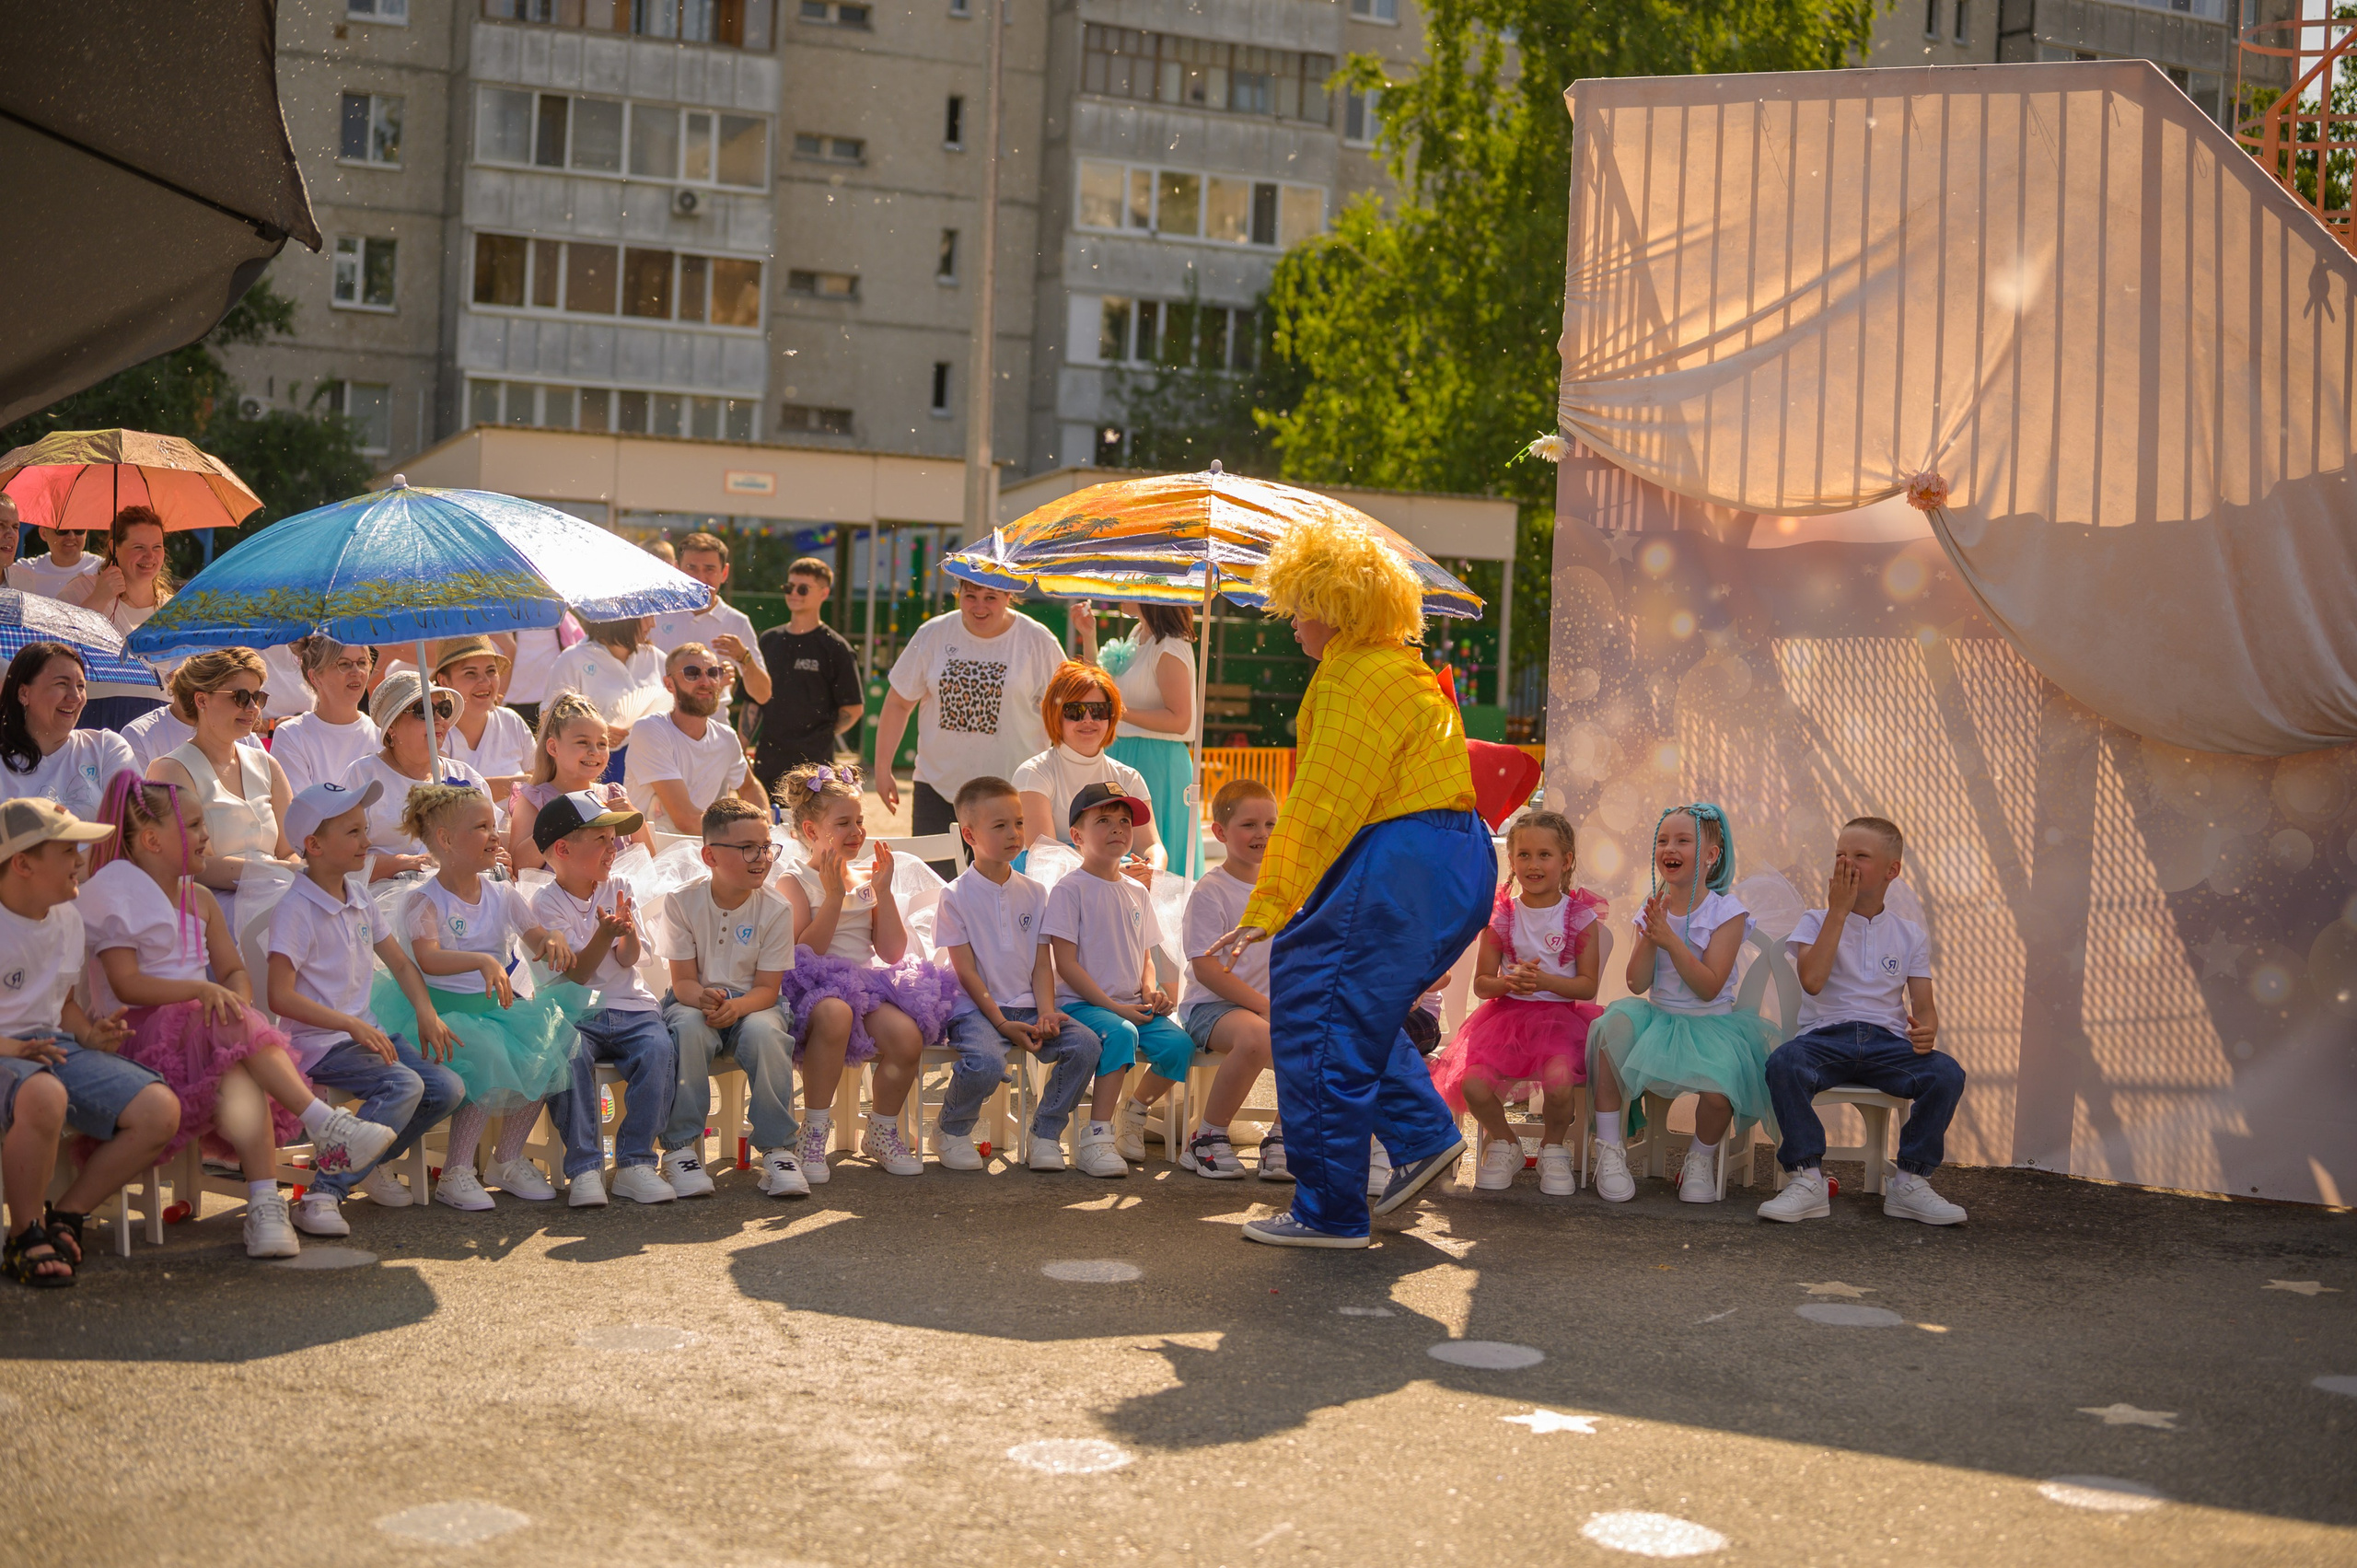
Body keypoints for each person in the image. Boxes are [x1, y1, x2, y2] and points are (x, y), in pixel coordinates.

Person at [1208, 522, 1488, 1250]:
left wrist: (1269, 905)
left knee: (1308, 992)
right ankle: (1422, 1136)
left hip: (1406, 854)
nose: (1293, 618)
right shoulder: (1402, 666)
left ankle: (1330, 1209)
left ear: (1337, 605)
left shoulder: (1346, 675)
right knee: (1350, 1005)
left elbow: (1322, 801)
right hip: (1459, 854)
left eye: (1301, 603)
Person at [82, 773, 392, 1258]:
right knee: (224, 1026)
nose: (207, 834)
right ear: (151, 840)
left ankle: (266, 1205)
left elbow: (233, 971)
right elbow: (127, 985)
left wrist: (236, 999)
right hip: (139, 1041)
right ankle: (323, 1125)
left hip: (202, 1036)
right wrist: (205, 992)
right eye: (194, 824)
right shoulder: (118, 892)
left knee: (242, 1069)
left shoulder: (201, 899)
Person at [266, 780, 468, 1236]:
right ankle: (323, 1192)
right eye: (353, 833)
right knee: (403, 1086)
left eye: (365, 829)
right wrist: (349, 1024)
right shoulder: (295, 907)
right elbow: (279, 996)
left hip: (363, 1036)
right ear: (314, 845)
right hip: (321, 1045)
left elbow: (400, 962)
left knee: (448, 1087)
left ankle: (367, 1159)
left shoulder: (358, 896)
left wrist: (425, 1011)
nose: (367, 842)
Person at [374, 784, 587, 1211]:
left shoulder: (502, 893)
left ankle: (507, 1157)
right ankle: (456, 1171)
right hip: (445, 1013)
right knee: (485, 1054)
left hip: (498, 1011)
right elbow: (428, 958)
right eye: (481, 827)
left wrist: (554, 938)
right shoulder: (424, 901)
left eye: (495, 825)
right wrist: (481, 962)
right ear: (445, 840)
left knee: (550, 1047)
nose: (495, 835)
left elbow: (534, 936)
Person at [0, 798, 180, 1284]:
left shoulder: (66, 916)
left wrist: (90, 1034)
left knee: (158, 1109)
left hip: (49, 1046)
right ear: (22, 863)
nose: (81, 861)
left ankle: (68, 1216)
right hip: (10, 1055)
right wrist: (14, 1050)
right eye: (68, 851)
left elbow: (60, 1006)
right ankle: (23, 1236)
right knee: (43, 1092)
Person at [1758, 817, 1968, 1225]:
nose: (1846, 863)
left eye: (1860, 856)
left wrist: (1928, 1029)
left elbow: (1923, 1005)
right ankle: (1808, 1179)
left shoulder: (1910, 935)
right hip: (1824, 1039)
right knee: (1783, 1063)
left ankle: (1910, 1182)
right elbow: (1813, 982)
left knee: (1946, 1073)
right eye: (1839, 855)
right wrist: (1838, 912)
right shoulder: (1815, 921)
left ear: (1892, 870)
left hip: (1887, 1044)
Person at [771, 762, 961, 1181]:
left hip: (868, 982)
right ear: (810, 830)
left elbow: (891, 952)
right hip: (813, 986)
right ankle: (814, 1132)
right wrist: (835, 897)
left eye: (860, 820)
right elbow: (805, 951)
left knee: (908, 1037)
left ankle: (881, 1129)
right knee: (836, 1013)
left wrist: (885, 892)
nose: (856, 830)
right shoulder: (795, 880)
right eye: (843, 823)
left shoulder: (865, 878)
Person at [1590, 806, 1777, 1205]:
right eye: (1662, 840)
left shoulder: (1727, 912)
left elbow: (1709, 987)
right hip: (1658, 1020)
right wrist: (1649, 933)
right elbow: (1636, 982)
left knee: (1720, 1089)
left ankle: (1699, 1159)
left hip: (1710, 1026)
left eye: (1682, 841)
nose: (1668, 848)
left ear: (1711, 856)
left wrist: (1671, 940)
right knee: (1611, 1030)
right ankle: (1609, 1150)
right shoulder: (1654, 905)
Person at [1428, 811, 1606, 1195]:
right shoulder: (1502, 916)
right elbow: (1481, 984)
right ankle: (1506, 1143)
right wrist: (1508, 983)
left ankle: (1553, 1147)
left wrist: (1545, 982)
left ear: (1567, 860)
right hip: (1503, 1021)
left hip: (1560, 1021)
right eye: (1524, 855)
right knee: (1473, 1085)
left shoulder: (1579, 916)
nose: (1533, 864)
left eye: (1545, 855)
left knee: (1560, 1083)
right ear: (1512, 861)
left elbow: (1587, 986)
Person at [932, 775, 1102, 1173]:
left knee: (1086, 1045)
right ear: (970, 835)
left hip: (1028, 1006)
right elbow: (967, 973)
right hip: (977, 1009)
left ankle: (1045, 1133)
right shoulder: (954, 896)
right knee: (987, 1062)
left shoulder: (1036, 892)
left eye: (1019, 823)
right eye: (1000, 826)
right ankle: (951, 1131)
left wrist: (1046, 1011)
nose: (1015, 833)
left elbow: (1042, 963)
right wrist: (1002, 1023)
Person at [528, 788, 679, 1207]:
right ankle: (584, 1169)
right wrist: (603, 934)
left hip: (631, 1007)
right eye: (601, 840)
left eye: (613, 840)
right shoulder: (544, 904)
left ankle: (636, 1164)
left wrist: (626, 932)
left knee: (658, 1048)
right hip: (577, 1012)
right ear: (562, 848)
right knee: (569, 1056)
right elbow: (575, 973)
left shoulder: (620, 884)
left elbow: (631, 960)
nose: (613, 848)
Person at [654, 796, 805, 1200]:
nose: (762, 858)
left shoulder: (775, 908)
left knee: (766, 1036)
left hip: (755, 1003)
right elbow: (682, 981)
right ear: (709, 856)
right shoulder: (681, 901)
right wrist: (705, 999)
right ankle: (680, 1149)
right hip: (694, 1000)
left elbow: (768, 990)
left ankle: (778, 1149)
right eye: (747, 848)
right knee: (686, 1030)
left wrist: (735, 1006)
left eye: (767, 846)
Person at [1043, 782, 1193, 1178]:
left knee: (1180, 1045)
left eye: (1124, 821)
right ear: (1076, 835)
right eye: (1104, 820)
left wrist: (1151, 990)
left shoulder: (1136, 891)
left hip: (1131, 1004)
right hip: (1081, 1005)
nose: (1117, 829)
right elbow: (1067, 964)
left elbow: (1146, 956)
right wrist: (1113, 1007)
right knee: (1121, 1032)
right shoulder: (1069, 889)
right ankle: (1096, 1137)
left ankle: (1135, 1112)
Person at [872, 580, 1063, 842]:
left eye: (991, 597)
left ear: (1009, 596)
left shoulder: (1038, 640)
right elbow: (898, 703)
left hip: (1013, 793)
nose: (979, 607)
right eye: (970, 596)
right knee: (936, 881)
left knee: (1006, 882)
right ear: (958, 594)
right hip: (938, 788)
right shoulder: (933, 634)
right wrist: (883, 768)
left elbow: (1063, 713)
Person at [1173, 778, 1283, 1181]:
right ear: (1219, 832)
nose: (1262, 834)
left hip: (1269, 1008)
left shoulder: (1285, 891)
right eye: (1250, 825)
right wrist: (1264, 1005)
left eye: (1271, 824)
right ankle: (1207, 1137)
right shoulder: (1212, 890)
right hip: (1211, 1008)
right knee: (1257, 1036)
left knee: (1317, 1034)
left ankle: (1284, 1137)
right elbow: (1205, 968)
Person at [146, 649, 296, 938]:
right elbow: (196, 865)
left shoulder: (268, 764)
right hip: (211, 909)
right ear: (202, 699)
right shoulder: (170, 770)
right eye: (240, 697)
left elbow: (289, 850)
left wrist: (301, 875)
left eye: (258, 697)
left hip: (278, 894)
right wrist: (278, 873)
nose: (252, 707)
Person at [1011, 661, 1163, 872]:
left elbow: (1151, 845)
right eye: (1075, 711)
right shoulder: (1033, 774)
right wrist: (1110, 873)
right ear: (1055, 715)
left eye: (1099, 711)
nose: (1088, 719)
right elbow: (1045, 857)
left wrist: (1151, 869)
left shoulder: (1129, 778)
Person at [343, 671, 493, 881]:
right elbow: (339, 860)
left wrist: (494, 856)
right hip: (385, 901)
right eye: (424, 711)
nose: (439, 719)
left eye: (444, 710)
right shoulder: (362, 776)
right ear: (392, 726)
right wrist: (408, 863)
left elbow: (490, 843)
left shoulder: (467, 775)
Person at [1086, 601, 1200, 877]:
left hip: (1156, 761)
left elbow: (1180, 719)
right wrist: (1088, 635)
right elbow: (1100, 687)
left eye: (1129, 580)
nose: (1120, 587)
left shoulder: (1170, 646)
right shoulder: (1139, 633)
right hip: (1122, 751)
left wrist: (1118, 711)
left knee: (1149, 849)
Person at [622, 644, 761, 837]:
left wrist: (764, 824)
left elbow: (749, 786)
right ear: (669, 684)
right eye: (692, 673)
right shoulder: (650, 729)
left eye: (713, 672)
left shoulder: (726, 737)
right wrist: (749, 834)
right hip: (655, 857)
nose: (706, 681)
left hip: (707, 851)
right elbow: (686, 819)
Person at [507, 692, 653, 873]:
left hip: (617, 897)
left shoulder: (614, 795)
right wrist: (558, 821)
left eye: (602, 744)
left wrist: (635, 817)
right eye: (583, 742)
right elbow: (520, 868)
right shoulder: (535, 798)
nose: (594, 751)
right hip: (555, 900)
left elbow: (649, 862)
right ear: (553, 747)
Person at [752, 555, 863, 791]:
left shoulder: (835, 647)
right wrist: (742, 745)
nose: (793, 593)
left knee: (808, 827)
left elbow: (853, 708)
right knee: (765, 826)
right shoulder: (769, 640)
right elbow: (752, 702)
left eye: (803, 589)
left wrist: (819, 735)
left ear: (824, 593)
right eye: (788, 587)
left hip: (814, 768)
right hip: (768, 760)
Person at [1, 643, 134, 821]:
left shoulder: (106, 748)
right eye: (61, 684)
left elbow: (135, 828)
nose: (75, 697)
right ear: (24, 693)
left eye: (80, 686)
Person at [650, 531, 771, 727]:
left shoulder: (737, 622)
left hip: (713, 733)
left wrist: (744, 658)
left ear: (724, 573)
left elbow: (763, 695)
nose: (700, 577)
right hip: (659, 730)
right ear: (676, 570)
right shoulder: (655, 614)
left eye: (709, 569)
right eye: (691, 568)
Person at [77, 506, 176, 729]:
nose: (150, 556)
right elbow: (58, 651)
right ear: (114, 548)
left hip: (157, 726)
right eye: (139, 547)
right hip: (97, 718)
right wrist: (99, 598)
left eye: (157, 547)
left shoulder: (173, 609)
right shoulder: (83, 589)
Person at [544, 614, 668, 776]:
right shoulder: (571, 659)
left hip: (655, 764)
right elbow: (548, 717)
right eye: (646, 616)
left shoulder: (657, 657)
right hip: (596, 767)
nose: (653, 624)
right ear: (622, 617)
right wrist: (596, 731)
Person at [268, 636, 379, 797]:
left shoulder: (380, 733)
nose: (357, 672)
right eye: (344, 664)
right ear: (315, 677)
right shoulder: (291, 735)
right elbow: (301, 811)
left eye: (362, 663)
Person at [435, 637, 534, 799]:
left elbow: (541, 783)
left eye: (491, 671)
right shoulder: (436, 730)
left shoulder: (511, 721)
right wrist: (520, 783)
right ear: (444, 681)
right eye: (470, 673)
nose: (485, 682)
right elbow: (447, 795)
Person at [6, 522, 100, 602]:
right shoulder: (23, 571)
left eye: (79, 530)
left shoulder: (103, 569)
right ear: (43, 533)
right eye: (62, 530)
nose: (71, 536)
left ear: (86, 532)